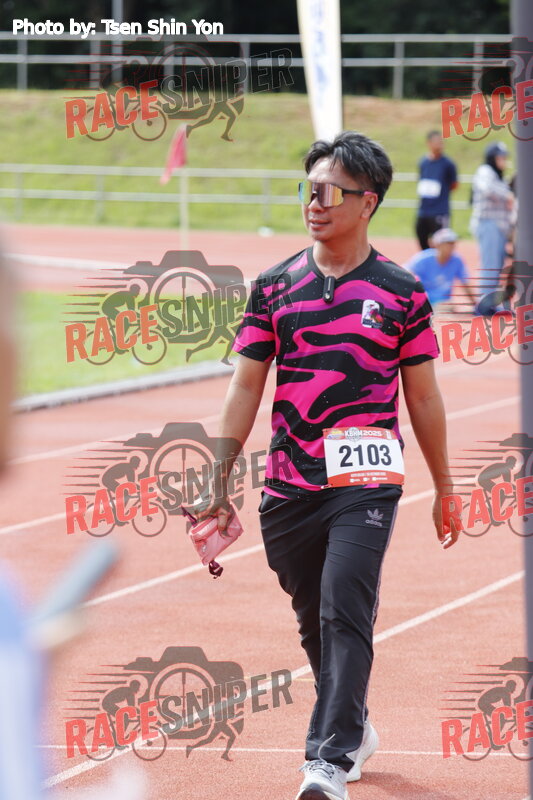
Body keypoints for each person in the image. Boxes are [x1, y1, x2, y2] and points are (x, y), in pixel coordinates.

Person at [194, 131, 460, 800]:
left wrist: (445, 487)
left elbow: (423, 396)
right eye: (308, 189)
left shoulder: (401, 292)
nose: (313, 203)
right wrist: (219, 480)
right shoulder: (274, 286)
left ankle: (328, 760)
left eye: (328, 192)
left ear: (367, 202)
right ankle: (355, 724)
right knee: (315, 617)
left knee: (346, 605)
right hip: (290, 482)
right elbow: (245, 385)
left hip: (365, 479)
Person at [470, 142, 515, 302]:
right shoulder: (485, 171)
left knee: (496, 266)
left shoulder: (498, 176)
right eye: (501, 157)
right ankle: (485, 302)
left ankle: (491, 301)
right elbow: (487, 188)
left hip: (499, 228)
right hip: (488, 224)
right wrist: (508, 195)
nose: (504, 160)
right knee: (490, 265)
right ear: (493, 158)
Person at [404, 228, 477, 312]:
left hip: (444, 303)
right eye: (448, 243)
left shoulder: (457, 260)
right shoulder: (423, 258)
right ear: (438, 244)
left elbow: (465, 283)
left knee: (453, 307)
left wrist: (475, 304)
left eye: (453, 243)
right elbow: (406, 275)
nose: (452, 246)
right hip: (424, 301)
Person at [415, 130, 459, 250]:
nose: (439, 145)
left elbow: (454, 184)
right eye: (436, 142)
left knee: (442, 243)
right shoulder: (423, 162)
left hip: (440, 211)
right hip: (424, 210)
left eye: (441, 142)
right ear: (429, 143)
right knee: (421, 237)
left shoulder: (448, 164)